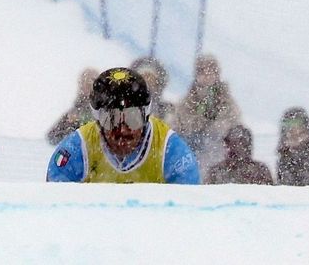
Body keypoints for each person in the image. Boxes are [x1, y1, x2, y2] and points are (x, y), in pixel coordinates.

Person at [46, 67, 200, 184]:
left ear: (145, 116)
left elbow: (189, 211)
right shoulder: (76, 150)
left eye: (133, 118)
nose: (122, 130)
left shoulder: (171, 151)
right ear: (98, 119)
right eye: (111, 119)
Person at [169, 54, 242, 176]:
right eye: (203, 72)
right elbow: (177, 124)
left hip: (219, 154)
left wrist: (216, 128)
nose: (207, 76)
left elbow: (234, 123)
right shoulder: (188, 100)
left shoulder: (226, 100)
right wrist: (196, 126)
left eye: (211, 71)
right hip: (192, 154)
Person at [46, 68, 100, 146]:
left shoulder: (106, 109)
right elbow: (52, 137)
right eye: (86, 83)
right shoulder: (76, 111)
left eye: (91, 82)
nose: (89, 86)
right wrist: (70, 124)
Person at [206, 125, 275, 185]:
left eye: (237, 144)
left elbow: (268, 196)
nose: (229, 148)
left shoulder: (260, 171)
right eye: (228, 143)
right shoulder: (216, 171)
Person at [129, 55, 177, 123]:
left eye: (151, 80)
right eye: (143, 77)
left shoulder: (164, 112)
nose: (147, 82)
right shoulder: (120, 101)